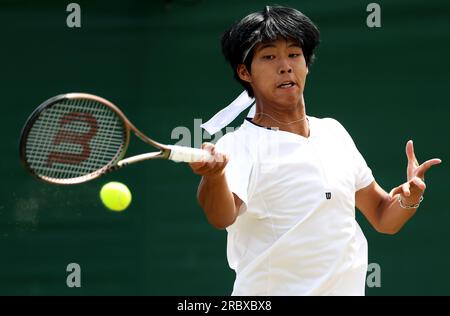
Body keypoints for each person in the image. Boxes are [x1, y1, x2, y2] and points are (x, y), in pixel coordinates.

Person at [189, 5, 441, 296]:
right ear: (245, 72)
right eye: (269, 56)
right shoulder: (237, 145)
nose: (285, 65)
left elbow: (383, 216)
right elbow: (221, 216)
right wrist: (214, 176)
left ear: (306, 64)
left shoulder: (333, 132)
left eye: (294, 54)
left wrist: (410, 199)